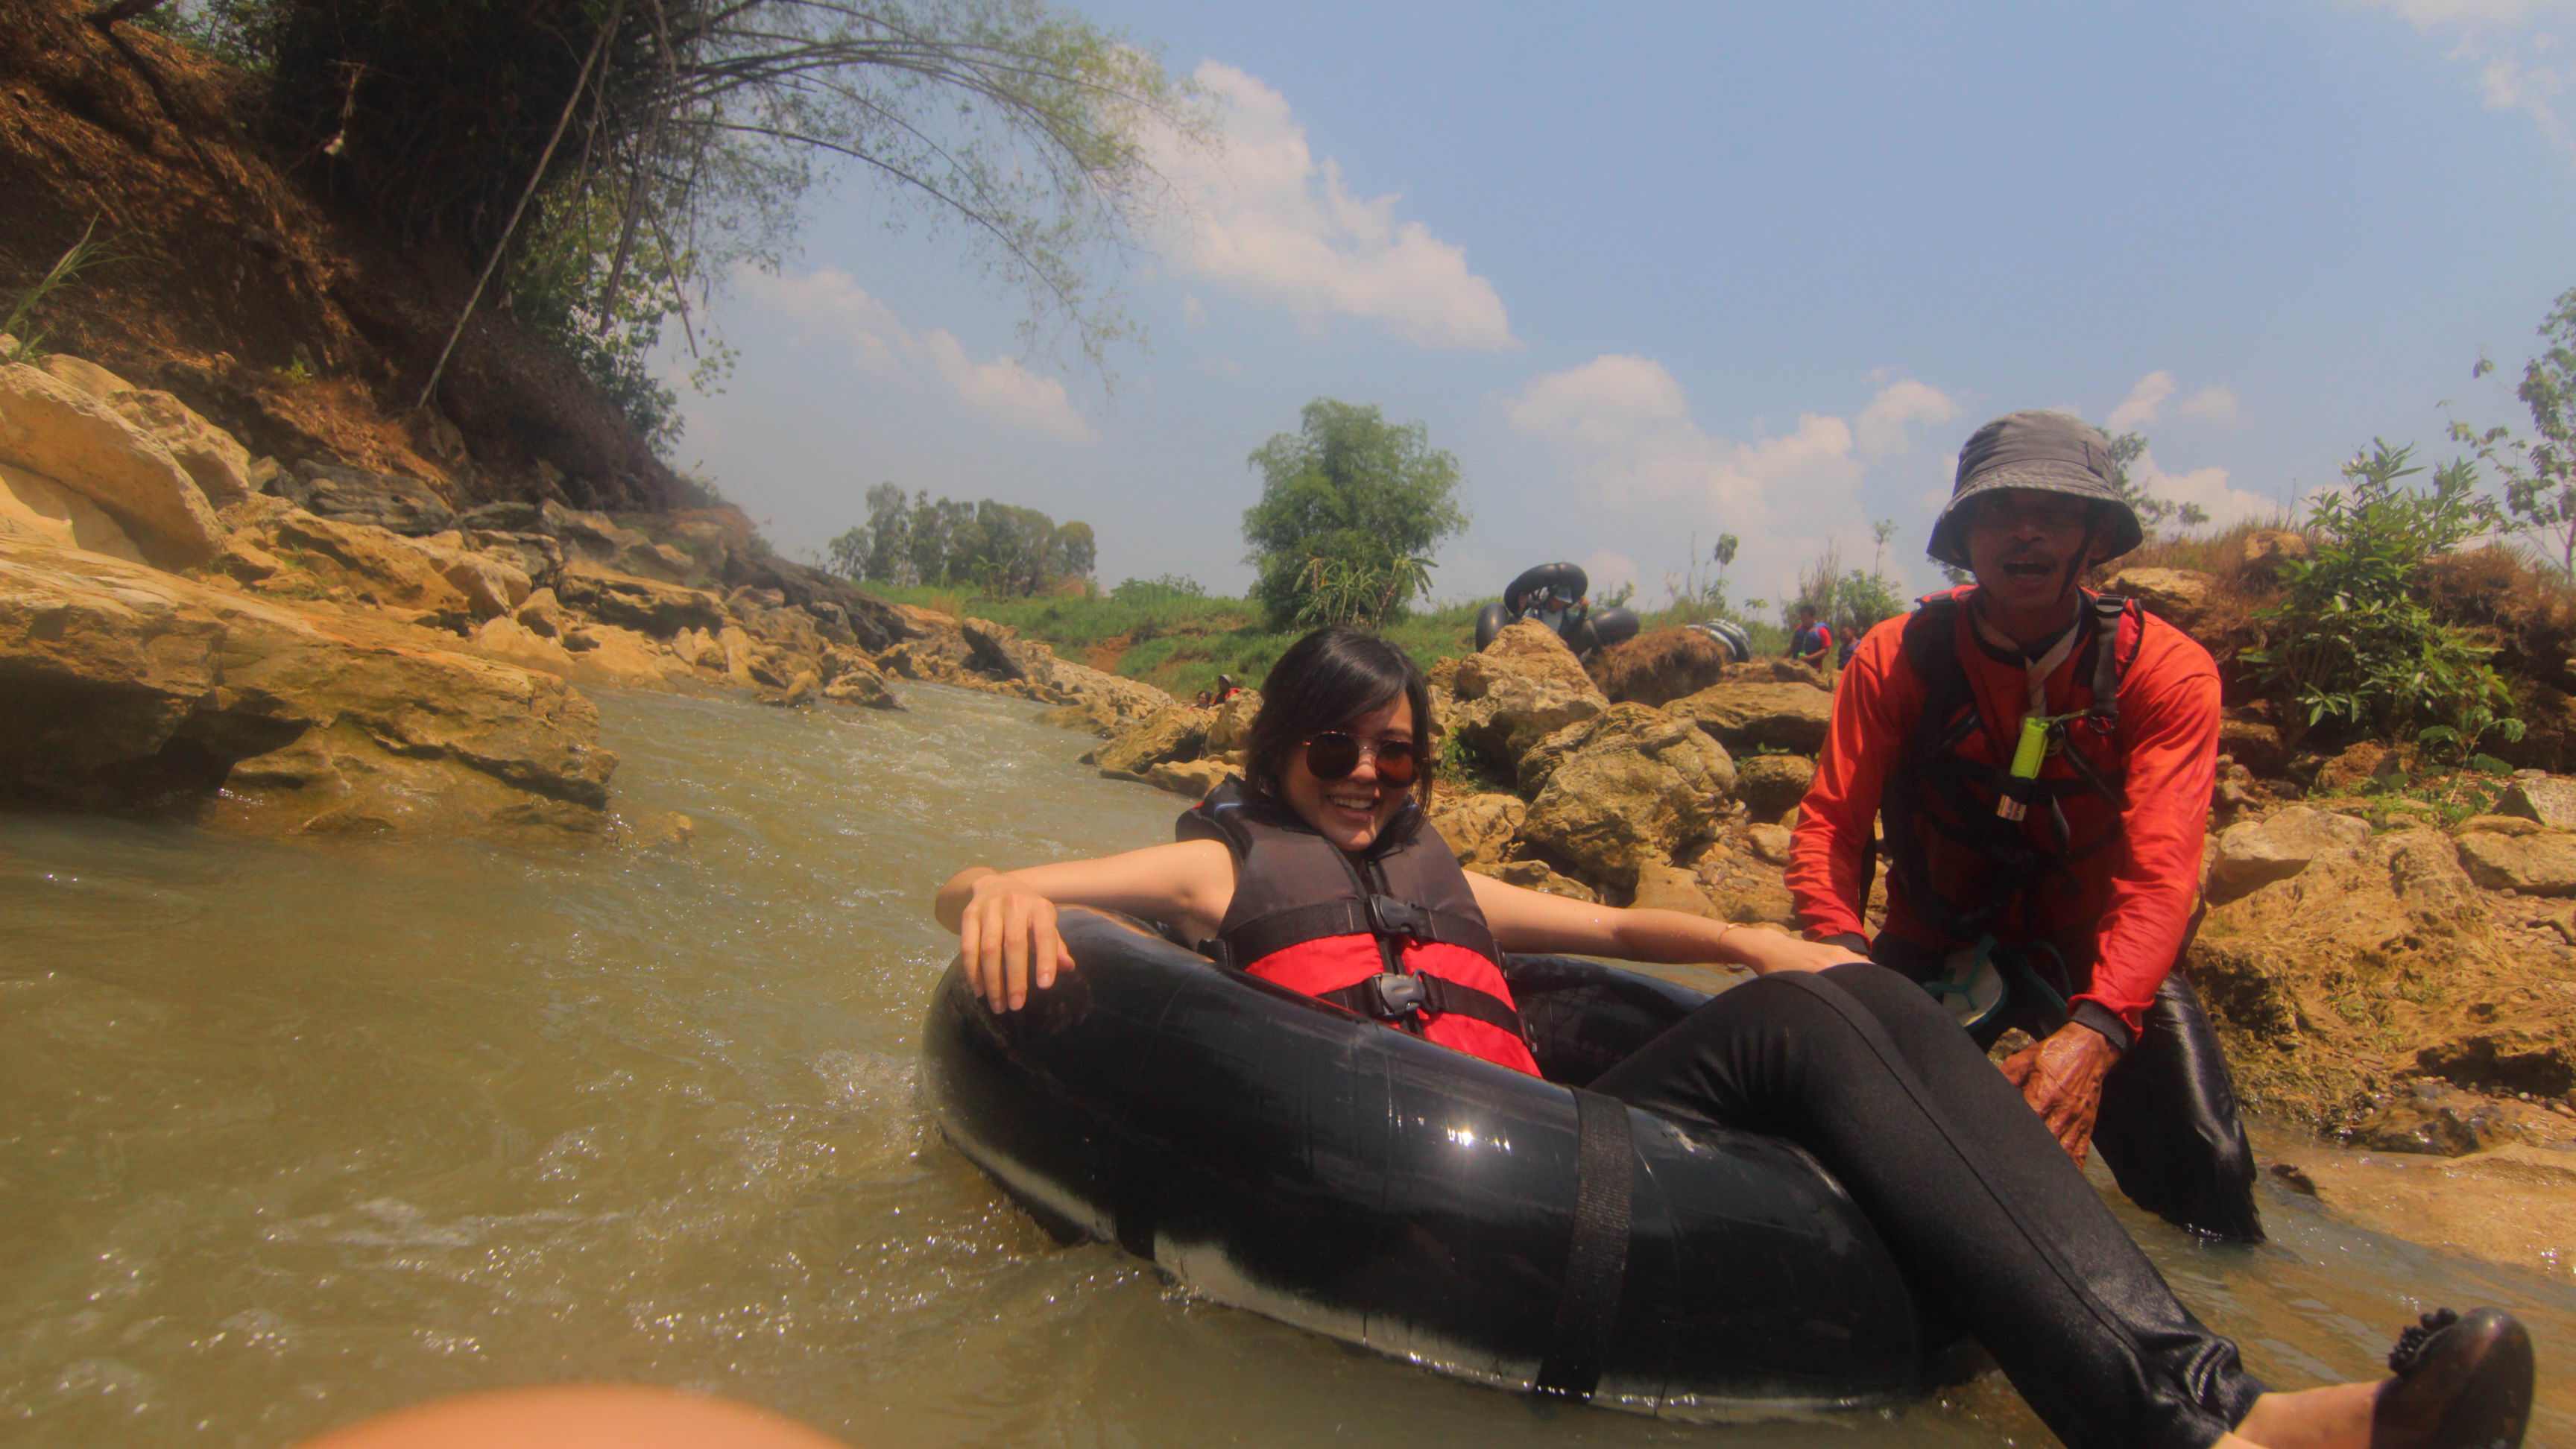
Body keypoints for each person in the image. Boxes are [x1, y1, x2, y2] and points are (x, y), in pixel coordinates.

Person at [938, 625, 2533, 1449]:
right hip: (1375, 1157)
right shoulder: (1222, 866)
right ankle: (2222, 1430)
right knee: (1821, 1001)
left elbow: (1628, 934)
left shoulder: (1442, 875)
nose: (1366, 773)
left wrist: (1768, 937)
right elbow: (994, 882)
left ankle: (2215, 1404)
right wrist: (995, 890)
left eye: (1396, 752)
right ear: (1279, 744)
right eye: (1333, 747)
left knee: (1830, 998)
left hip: (1559, 1134)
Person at [1788, 410, 2261, 1242]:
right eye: (1999, 510)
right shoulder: (1896, 657)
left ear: (2096, 538)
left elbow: (2162, 877)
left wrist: (2100, 1029)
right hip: (1931, 941)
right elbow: (1833, 828)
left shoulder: (2168, 671)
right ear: (1965, 536)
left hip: (2091, 956)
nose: (2027, 532)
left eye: (2059, 511)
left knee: (2210, 1176)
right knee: (1827, 1162)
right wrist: (1842, 964)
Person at [1787, 602, 1834, 669]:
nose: (1803, 620)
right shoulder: (1799, 629)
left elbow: (1826, 650)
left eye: (1806, 618)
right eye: (1802, 618)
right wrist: (1781, 659)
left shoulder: (1822, 630)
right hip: (1796, 667)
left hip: (1814, 668)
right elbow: (1792, 648)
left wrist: (1809, 658)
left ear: (1813, 617)